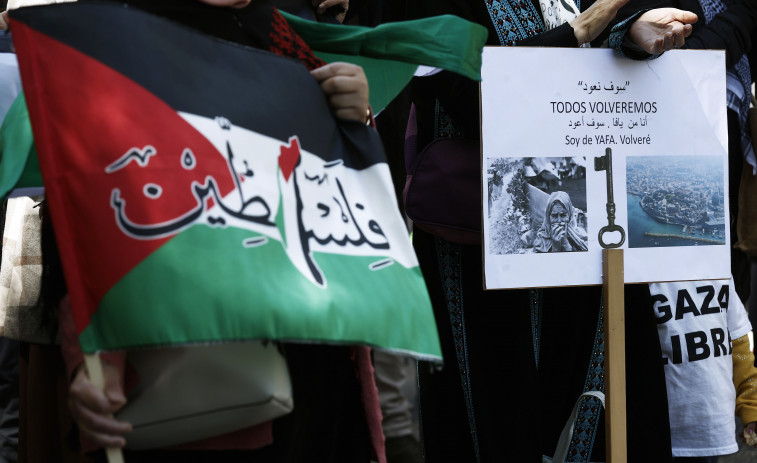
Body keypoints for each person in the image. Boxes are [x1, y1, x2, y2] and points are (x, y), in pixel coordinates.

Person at [5, 0, 383, 461]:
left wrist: (355, 119)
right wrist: (94, 363)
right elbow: (89, 220)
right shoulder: (122, 47)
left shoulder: (278, 34)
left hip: (312, 359)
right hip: (199, 383)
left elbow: (337, 195)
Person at [391, 0, 699, 461]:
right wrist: (582, 30)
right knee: (503, 412)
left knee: (594, 396)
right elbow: (466, 90)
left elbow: (671, 15)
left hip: (592, 244)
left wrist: (632, 31)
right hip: (483, 254)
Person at [649, 278, 757, 462]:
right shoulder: (636, 268)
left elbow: (738, 343)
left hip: (707, 427)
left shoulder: (715, 265)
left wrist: (751, 403)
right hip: (652, 427)